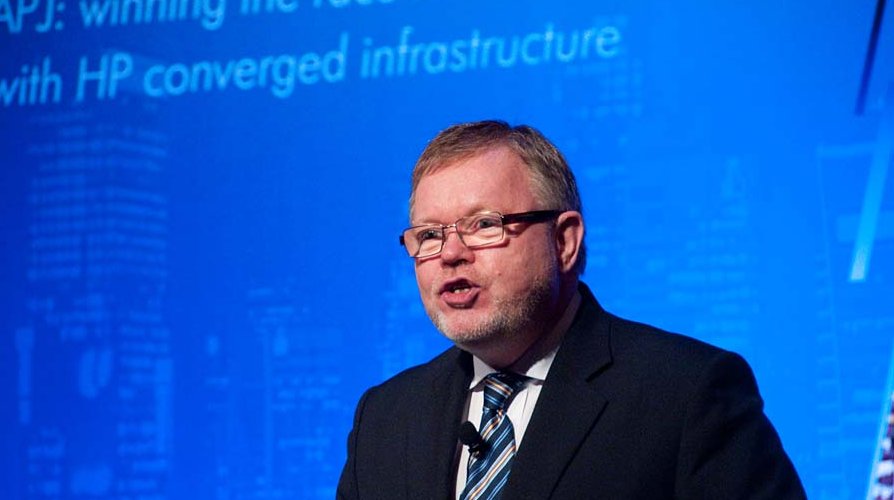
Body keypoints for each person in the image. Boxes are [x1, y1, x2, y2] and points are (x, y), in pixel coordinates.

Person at [337, 120, 806, 499]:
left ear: (564, 241)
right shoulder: (386, 418)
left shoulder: (686, 394)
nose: (451, 253)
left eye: (484, 225)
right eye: (429, 235)